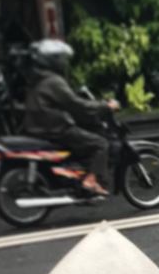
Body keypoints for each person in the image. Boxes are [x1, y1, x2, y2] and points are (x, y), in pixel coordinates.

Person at [22, 39, 119, 195]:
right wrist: (104, 106)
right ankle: (90, 180)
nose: (64, 62)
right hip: (55, 129)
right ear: (53, 60)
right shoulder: (53, 81)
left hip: (38, 126)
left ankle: (77, 175)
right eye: (61, 58)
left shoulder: (37, 78)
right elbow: (76, 104)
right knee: (100, 144)